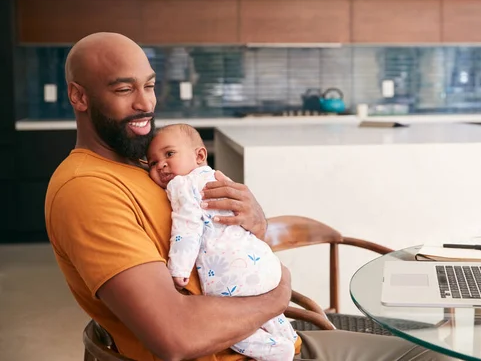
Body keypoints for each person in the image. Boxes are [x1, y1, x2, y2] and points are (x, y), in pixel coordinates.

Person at [45, 31, 456, 361]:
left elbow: (209, 242)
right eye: (124, 90)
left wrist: (253, 221)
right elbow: (175, 335)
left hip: (271, 339)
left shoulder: (143, 164)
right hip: (236, 351)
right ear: (79, 96)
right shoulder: (87, 189)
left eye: (150, 86)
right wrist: (276, 294)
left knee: (437, 354)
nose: (146, 103)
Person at [147, 123, 298, 360]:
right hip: (262, 264)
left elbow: (187, 225)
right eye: (153, 163)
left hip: (230, 276)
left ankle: (277, 350)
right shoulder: (217, 177)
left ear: (199, 155)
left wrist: (179, 269)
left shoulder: (181, 185)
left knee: (230, 326)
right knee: (265, 312)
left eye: (169, 154)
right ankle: (290, 338)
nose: (161, 165)